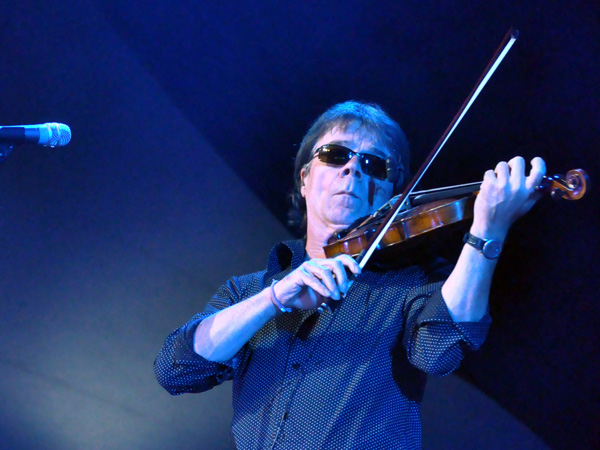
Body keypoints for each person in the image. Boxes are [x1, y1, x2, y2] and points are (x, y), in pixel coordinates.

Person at [154, 101, 546, 449]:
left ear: (393, 191)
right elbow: (176, 369)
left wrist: (487, 231)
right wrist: (274, 298)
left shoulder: (413, 283)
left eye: (373, 164)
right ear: (305, 178)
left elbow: (439, 352)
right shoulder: (248, 290)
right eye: (336, 154)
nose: (354, 168)